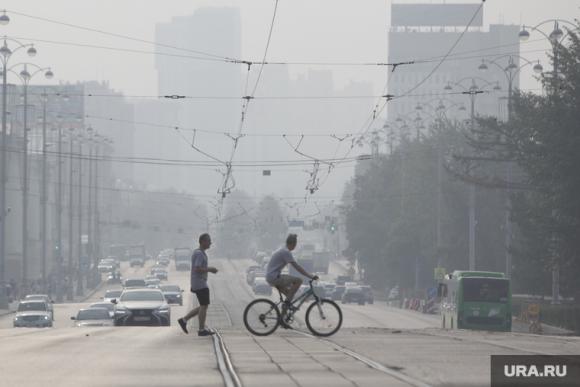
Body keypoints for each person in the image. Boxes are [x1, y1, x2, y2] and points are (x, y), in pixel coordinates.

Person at [178, 233, 218, 336]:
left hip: (199, 282)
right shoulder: (199, 254)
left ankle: (184, 320)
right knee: (204, 306)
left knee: (203, 306)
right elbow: (197, 268)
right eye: (209, 241)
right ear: (203, 242)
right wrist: (210, 269)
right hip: (200, 283)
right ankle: (201, 329)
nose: (210, 243)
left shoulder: (200, 253)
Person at [266, 234, 318, 309]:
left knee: (289, 294)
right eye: (295, 244)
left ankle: (282, 318)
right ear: (293, 244)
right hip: (274, 277)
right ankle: (287, 304)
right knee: (299, 280)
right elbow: (297, 267)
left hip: (271, 277)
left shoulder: (283, 249)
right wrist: (310, 276)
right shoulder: (286, 252)